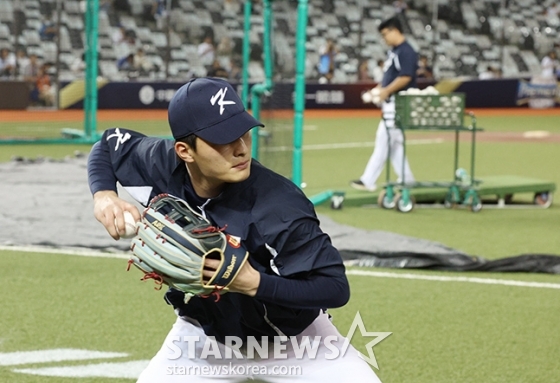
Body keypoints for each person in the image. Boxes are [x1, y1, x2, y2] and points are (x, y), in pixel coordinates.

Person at [87, 77, 381, 382]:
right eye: (222, 138)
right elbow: (109, 144)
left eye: (242, 132)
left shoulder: (279, 204)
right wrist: (104, 195)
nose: (240, 149)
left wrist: (252, 282)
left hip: (300, 345)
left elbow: (334, 287)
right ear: (185, 151)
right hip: (202, 342)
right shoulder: (161, 163)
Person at [351, 17, 417, 192]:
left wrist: (385, 91)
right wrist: (378, 90)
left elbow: (406, 76)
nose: (384, 38)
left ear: (395, 30)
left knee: (384, 140)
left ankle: (368, 180)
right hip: (391, 102)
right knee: (395, 146)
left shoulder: (406, 51)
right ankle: (407, 178)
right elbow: (390, 77)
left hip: (399, 103)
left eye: (385, 34)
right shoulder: (394, 51)